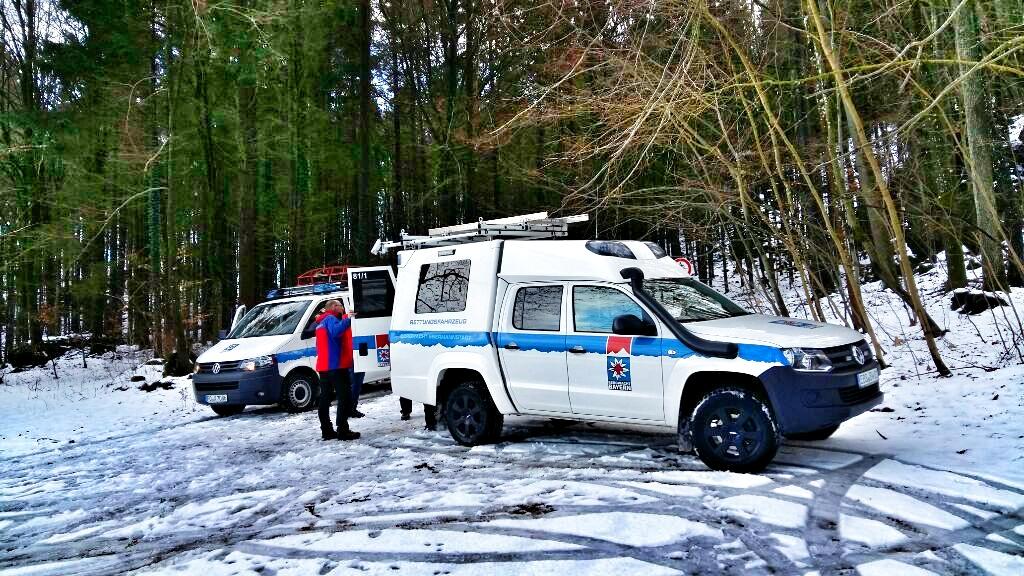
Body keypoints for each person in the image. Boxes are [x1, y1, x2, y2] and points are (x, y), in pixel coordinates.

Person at [315, 300, 359, 440]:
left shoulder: (320, 323)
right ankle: (343, 430)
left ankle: (326, 430)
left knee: (324, 399)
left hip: (323, 367)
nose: (343, 308)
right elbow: (336, 332)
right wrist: (349, 319)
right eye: (341, 306)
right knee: (344, 397)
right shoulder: (331, 319)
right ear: (334, 307)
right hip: (335, 366)